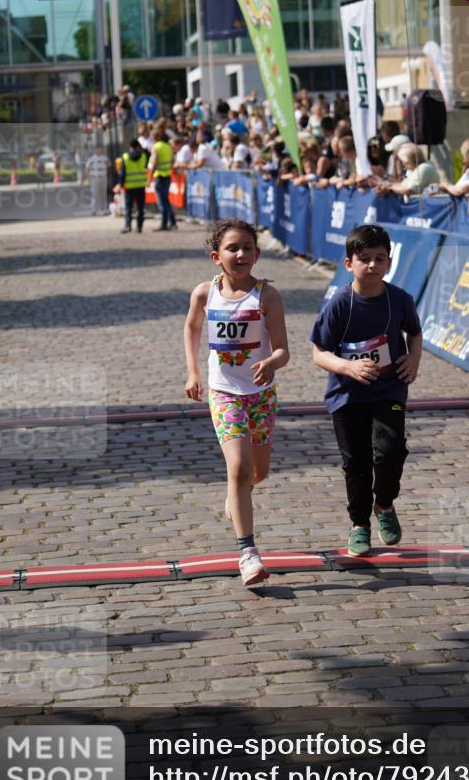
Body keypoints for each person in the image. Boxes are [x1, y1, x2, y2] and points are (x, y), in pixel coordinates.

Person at [183, 220, 290, 587]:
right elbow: (192, 328)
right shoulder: (203, 293)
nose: (241, 254)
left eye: (248, 247)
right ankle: (248, 553)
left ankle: (237, 495)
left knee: (258, 473)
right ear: (216, 257)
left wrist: (272, 361)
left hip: (260, 395)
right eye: (233, 248)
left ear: (257, 254)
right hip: (224, 392)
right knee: (240, 467)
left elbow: (283, 350)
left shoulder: (267, 296)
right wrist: (194, 373)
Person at [310, 224, 422, 557]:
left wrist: (414, 358)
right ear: (349, 264)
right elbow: (318, 352)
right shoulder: (339, 304)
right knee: (356, 462)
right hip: (347, 394)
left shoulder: (399, 299)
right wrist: (348, 367)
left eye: (379, 259)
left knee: (391, 450)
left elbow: (414, 333)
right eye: (364, 259)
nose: (372, 266)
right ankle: (359, 524)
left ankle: (384, 505)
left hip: (389, 389)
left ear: (389, 262)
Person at [373, 143, 440, 197]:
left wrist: (389, 187)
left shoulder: (423, 168)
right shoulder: (412, 169)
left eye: (404, 162)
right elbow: (403, 185)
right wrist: (386, 184)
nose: (403, 164)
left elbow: (409, 190)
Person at [116, 138, 148, 233]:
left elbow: (122, 173)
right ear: (138, 146)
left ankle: (128, 226)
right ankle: (139, 226)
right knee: (140, 207)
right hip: (141, 185)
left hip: (129, 186)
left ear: (130, 147)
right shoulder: (143, 156)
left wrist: (120, 185)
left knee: (128, 207)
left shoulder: (125, 157)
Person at [148, 123, 176, 230]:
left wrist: (150, 177)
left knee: (161, 202)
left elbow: (154, 163)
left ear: (153, 137)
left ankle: (163, 224)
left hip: (159, 176)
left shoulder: (156, 147)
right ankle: (172, 221)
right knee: (166, 200)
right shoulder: (167, 146)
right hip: (167, 176)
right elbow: (172, 161)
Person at [84, 145, 110, 216]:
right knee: (95, 194)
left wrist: (107, 175)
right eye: (97, 149)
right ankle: (94, 210)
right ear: (94, 150)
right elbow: (86, 169)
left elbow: (109, 167)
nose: (98, 151)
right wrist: (86, 178)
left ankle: (104, 209)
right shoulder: (91, 159)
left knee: (103, 194)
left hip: (103, 178)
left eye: (100, 149)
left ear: (102, 150)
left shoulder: (105, 158)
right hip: (94, 178)